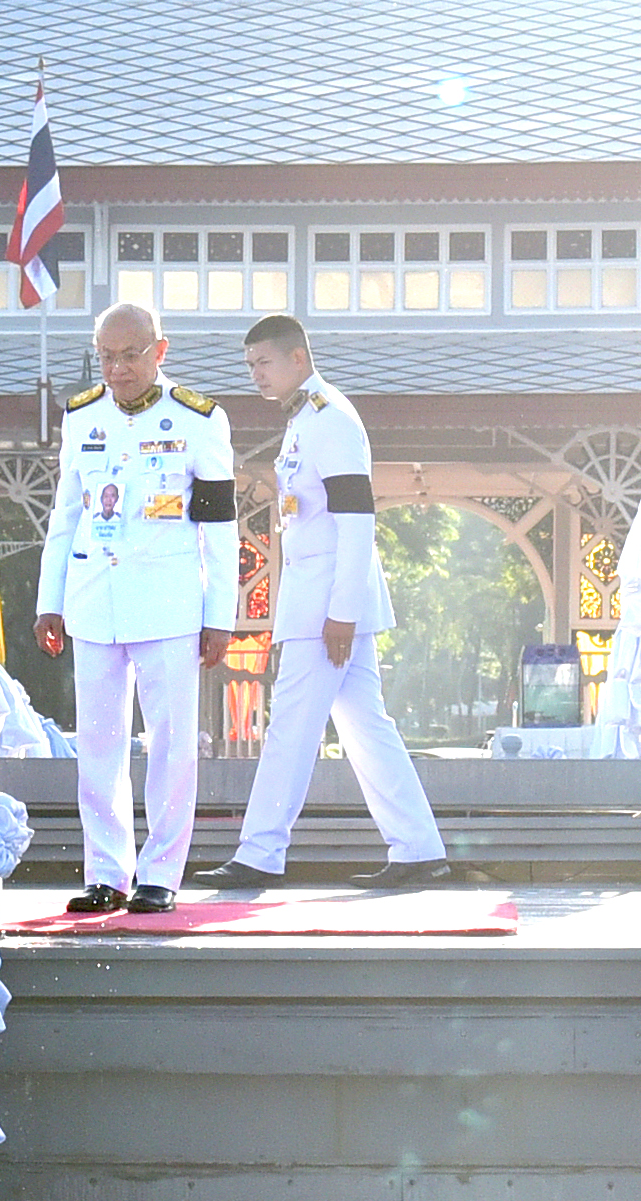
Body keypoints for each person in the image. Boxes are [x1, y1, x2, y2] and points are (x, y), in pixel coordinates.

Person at [198, 316, 447, 891]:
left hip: (328, 603)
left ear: (298, 359)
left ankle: (260, 852)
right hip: (324, 597)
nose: (255, 374)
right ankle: (418, 847)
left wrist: (342, 610)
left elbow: (357, 520)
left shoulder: (329, 419)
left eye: (264, 362)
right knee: (365, 727)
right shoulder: (307, 419)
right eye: (250, 365)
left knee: (290, 724)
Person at [34, 303, 237, 915]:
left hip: (168, 602)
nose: (117, 369)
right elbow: (66, 513)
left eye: (130, 355)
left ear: (160, 351)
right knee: (97, 744)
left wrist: (219, 614)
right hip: (95, 598)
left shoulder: (199, 420)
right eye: (106, 356)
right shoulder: (81, 417)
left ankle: (161, 873)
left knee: (171, 743)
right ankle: (106, 872)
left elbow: (220, 527)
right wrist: (50, 601)